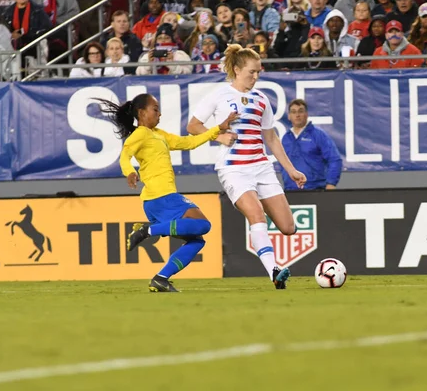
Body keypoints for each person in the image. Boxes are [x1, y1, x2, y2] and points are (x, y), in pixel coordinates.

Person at [187, 44, 307, 289]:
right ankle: (274, 270)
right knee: (256, 215)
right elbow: (193, 126)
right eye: (252, 72)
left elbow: (271, 138)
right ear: (238, 69)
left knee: (288, 227)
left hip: (262, 167)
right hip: (234, 168)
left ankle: (266, 237)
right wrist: (219, 136)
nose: (256, 77)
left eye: (259, 72)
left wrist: (291, 170)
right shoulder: (219, 95)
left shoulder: (261, 99)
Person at [96, 93, 236, 292]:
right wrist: (129, 172)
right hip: (161, 196)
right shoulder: (140, 134)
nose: (159, 114)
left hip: (160, 199)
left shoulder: (159, 134)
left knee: (196, 241)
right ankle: (147, 231)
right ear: (142, 112)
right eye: (155, 109)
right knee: (203, 224)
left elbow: (188, 143)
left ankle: (161, 278)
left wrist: (217, 130)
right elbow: (124, 156)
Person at [281, 99, 342, 190]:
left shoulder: (318, 135)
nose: (297, 115)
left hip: (315, 190)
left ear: (306, 114)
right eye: (293, 112)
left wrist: (331, 183)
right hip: (290, 190)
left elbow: (335, 159)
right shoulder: (285, 138)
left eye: (300, 111)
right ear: (289, 116)